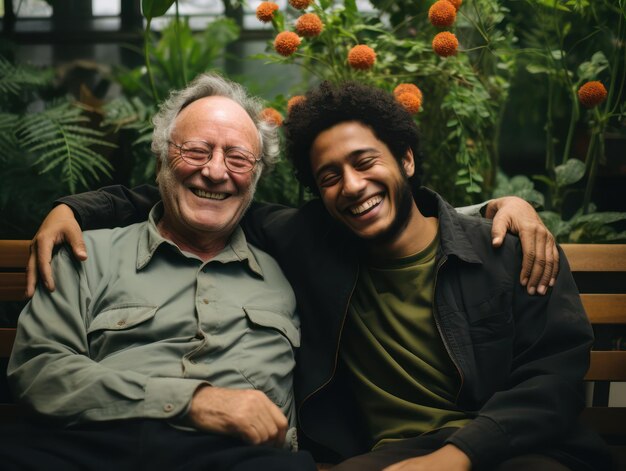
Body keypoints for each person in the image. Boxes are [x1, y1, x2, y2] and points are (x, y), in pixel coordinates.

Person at [25, 82, 586, 470]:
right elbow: (194, 194)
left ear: (407, 160)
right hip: (390, 454)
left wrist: (506, 205)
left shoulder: (507, 247)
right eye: (330, 177)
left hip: (519, 446)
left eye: (366, 162)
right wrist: (75, 208)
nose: (353, 186)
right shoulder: (311, 241)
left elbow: (555, 373)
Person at [2, 73, 317, 471]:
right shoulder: (86, 256)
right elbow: (39, 370)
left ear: (255, 179)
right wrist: (192, 402)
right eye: (197, 150)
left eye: (237, 159)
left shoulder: (290, 269)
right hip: (97, 449)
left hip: (241, 459)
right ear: (161, 160)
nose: (216, 172)